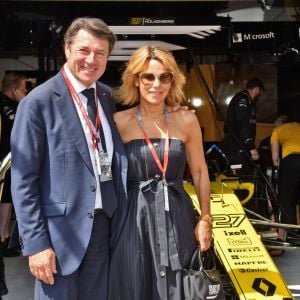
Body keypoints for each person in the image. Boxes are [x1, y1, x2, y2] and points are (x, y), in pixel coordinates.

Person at [10, 17, 128, 300]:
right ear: (67, 49)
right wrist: (37, 245)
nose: (92, 59)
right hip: (59, 235)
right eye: (84, 50)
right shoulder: (37, 103)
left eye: (100, 53)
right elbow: (23, 179)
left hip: (103, 228)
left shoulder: (105, 96)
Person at [109, 45, 212, 300]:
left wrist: (205, 220)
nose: (156, 84)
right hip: (133, 216)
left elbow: (199, 171)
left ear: (173, 80)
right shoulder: (119, 122)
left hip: (177, 214)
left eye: (164, 77)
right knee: (133, 281)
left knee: (179, 285)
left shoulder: (186, 120)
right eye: (148, 76)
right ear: (136, 79)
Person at [0, 72, 27, 253]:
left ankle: (5, 237)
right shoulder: (10, 108)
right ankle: (2, 239)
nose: (25, 94)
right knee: (5, 200)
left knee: (8, 200)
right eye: (23, 90)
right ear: (15, 90)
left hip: (9, 159)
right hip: (5, 161)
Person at [221, 77, 265, 175]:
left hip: (237, 145)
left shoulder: (243, 99)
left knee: (240, 175)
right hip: (237, 147)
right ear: (257, 89)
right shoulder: (243, 100)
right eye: (260, 93)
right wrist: (251, 147)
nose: (259, 96)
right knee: (240, 177)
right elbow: (243, 124)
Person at [270, 112, 300, 225]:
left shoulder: (278, 129)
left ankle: (290, 233)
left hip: (291, 160)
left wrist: (278, 172)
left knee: (286, 197)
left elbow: (275, 158)